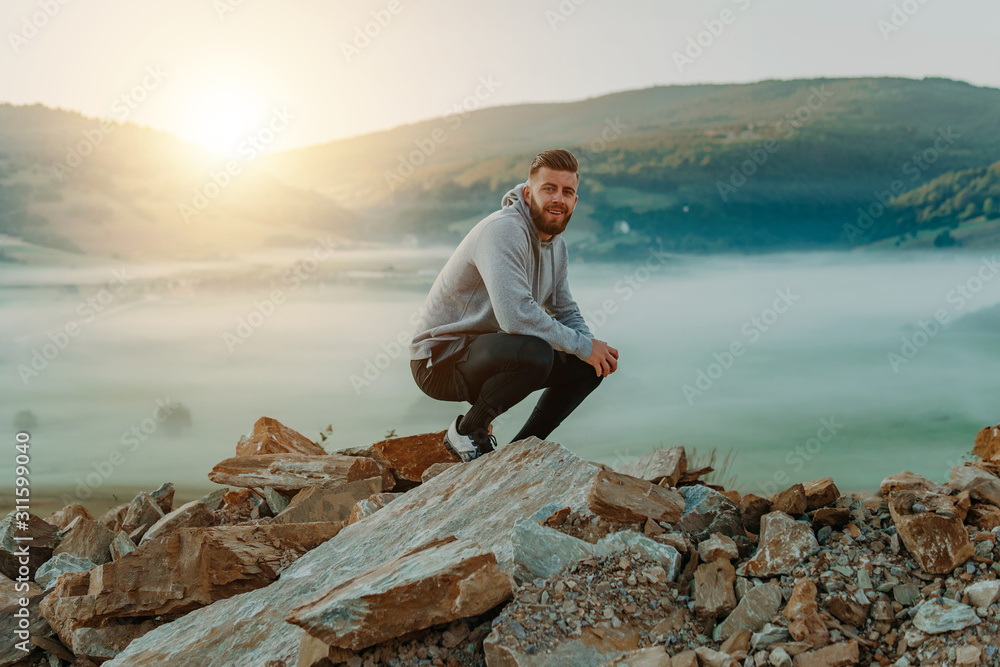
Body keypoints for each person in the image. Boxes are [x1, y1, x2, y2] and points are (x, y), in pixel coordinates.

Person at [409, 149, 619, 461]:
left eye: (567, 192)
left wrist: (589, 348)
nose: (558, 198)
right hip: (439, 361)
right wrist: (583, 345)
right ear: (528, 193)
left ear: (575, 201)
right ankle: (467, 432)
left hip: (488, 352)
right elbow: (515, 317)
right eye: (549, 188)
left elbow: (564, 309)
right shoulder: (503, 230)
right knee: (536, 353)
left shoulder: (556, 247)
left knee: (588, 367)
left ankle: (519, 455)